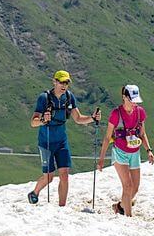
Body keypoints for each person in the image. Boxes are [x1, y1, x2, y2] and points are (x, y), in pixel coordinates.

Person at [27, 70, 101, 206]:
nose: (64, 85)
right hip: (46, 142)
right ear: (54, 81)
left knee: (65, 175)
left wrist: (92, 118)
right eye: (61, 82)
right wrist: (43, 120)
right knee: (49, 177)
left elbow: (78, 118)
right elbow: (33, 122)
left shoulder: (69, 97)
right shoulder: (44, 98)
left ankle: (62, 207)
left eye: (66, 82)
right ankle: (35, 192)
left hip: (61, 141)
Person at [97, 85, 154, 217]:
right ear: (124, 97)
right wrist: (101, 159)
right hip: (120, 152)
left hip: (135, 152)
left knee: (135, 188)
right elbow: (107, 137)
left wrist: (149, 150)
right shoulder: (116, 114)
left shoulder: (140, 112)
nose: (134, 103)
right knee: (127, 186)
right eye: (131, 99)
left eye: (135, 100)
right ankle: (129, 217)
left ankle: (119, 206)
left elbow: (142, 134)